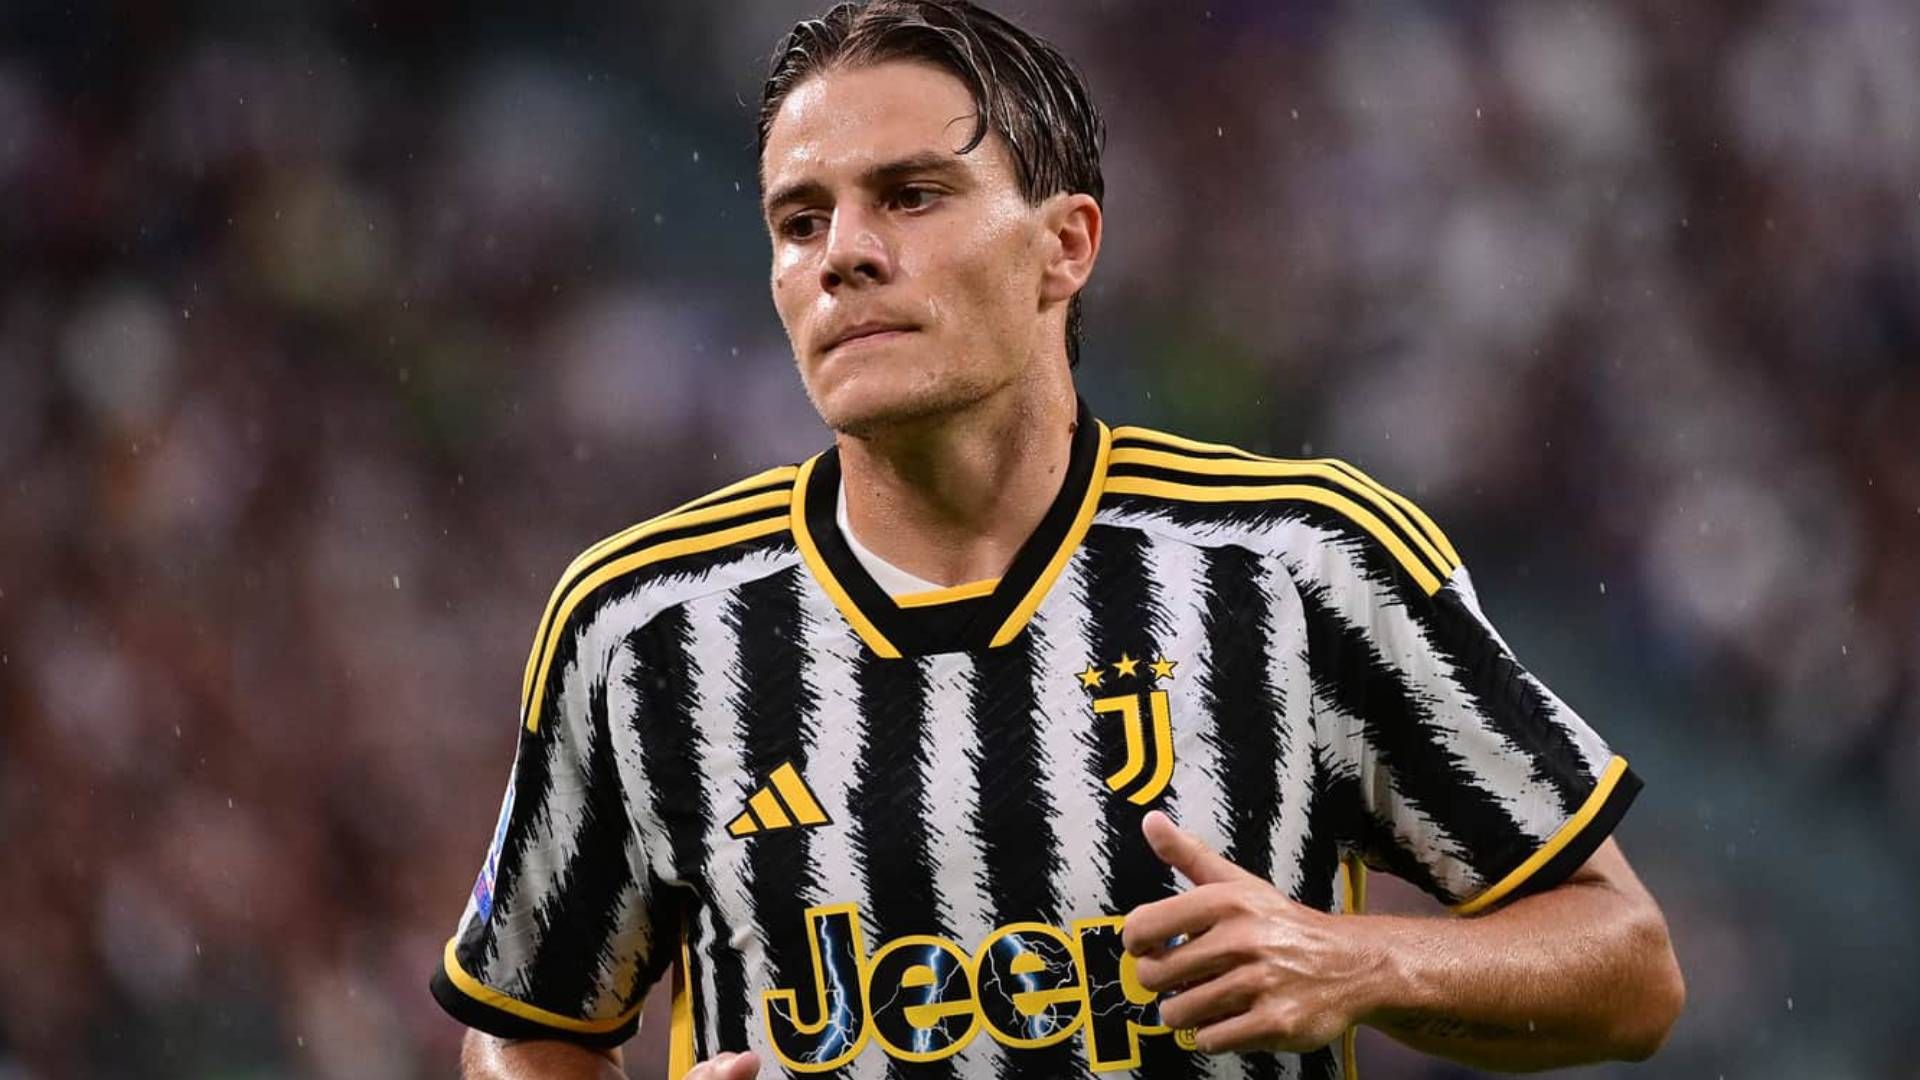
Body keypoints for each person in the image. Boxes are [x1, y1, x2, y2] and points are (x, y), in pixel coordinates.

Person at [429, 2, 1685, 1077]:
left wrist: (1359, 963)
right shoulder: (641, 629)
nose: (844, 255)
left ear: (1064, 246)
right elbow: (523, 1027)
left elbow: (1627, 965)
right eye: (800, 221)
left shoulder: (1301, 564)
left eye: (910, 196)